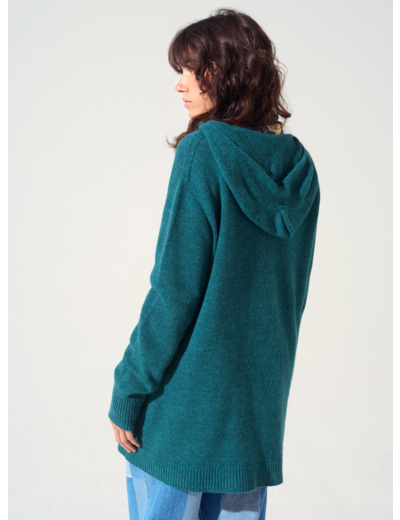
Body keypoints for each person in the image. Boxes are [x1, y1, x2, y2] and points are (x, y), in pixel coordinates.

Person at [108, 7, 320, 520]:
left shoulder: (203, 153)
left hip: (183, 415)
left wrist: (129, 388)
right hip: (254, 419)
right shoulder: (299, 169)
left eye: (192, 69)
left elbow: (174, 290)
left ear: (227, 73)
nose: (179, 84)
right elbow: (290, 296)